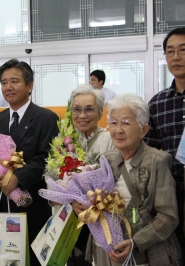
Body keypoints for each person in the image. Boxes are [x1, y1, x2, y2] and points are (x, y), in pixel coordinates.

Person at [0, 59, 59, 266]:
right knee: (0, 257)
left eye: (14, 81)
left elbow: (47, 158)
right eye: (4, 82)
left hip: (31, 202)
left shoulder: (46, 118)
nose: (8, 87)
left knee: (32, 257)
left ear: (30, 85)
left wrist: (18, 178)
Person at [85, 94, 182, 265]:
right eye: (113, 123)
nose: (118, 130)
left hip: (145, 255)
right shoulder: (107, 159)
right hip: (106, 251)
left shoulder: (157, 160)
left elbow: (168, 216)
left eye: (126, 123)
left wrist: (135, 242)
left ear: (143, 130)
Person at [144, 27, 185, 255]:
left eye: (183, 50)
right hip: (172, 194)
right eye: (170, 52)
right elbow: (148, 150)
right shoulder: (158, 103)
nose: (176, 57)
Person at [69, 85, 115, 266]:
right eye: (77, 109)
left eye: (89, 109)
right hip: (73, 219)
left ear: (100, 113)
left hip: (102, 219)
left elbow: (116, 180)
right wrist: (71, 200)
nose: (82, 115)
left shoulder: (110, 140)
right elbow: (52, 178)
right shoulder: (65, 140)